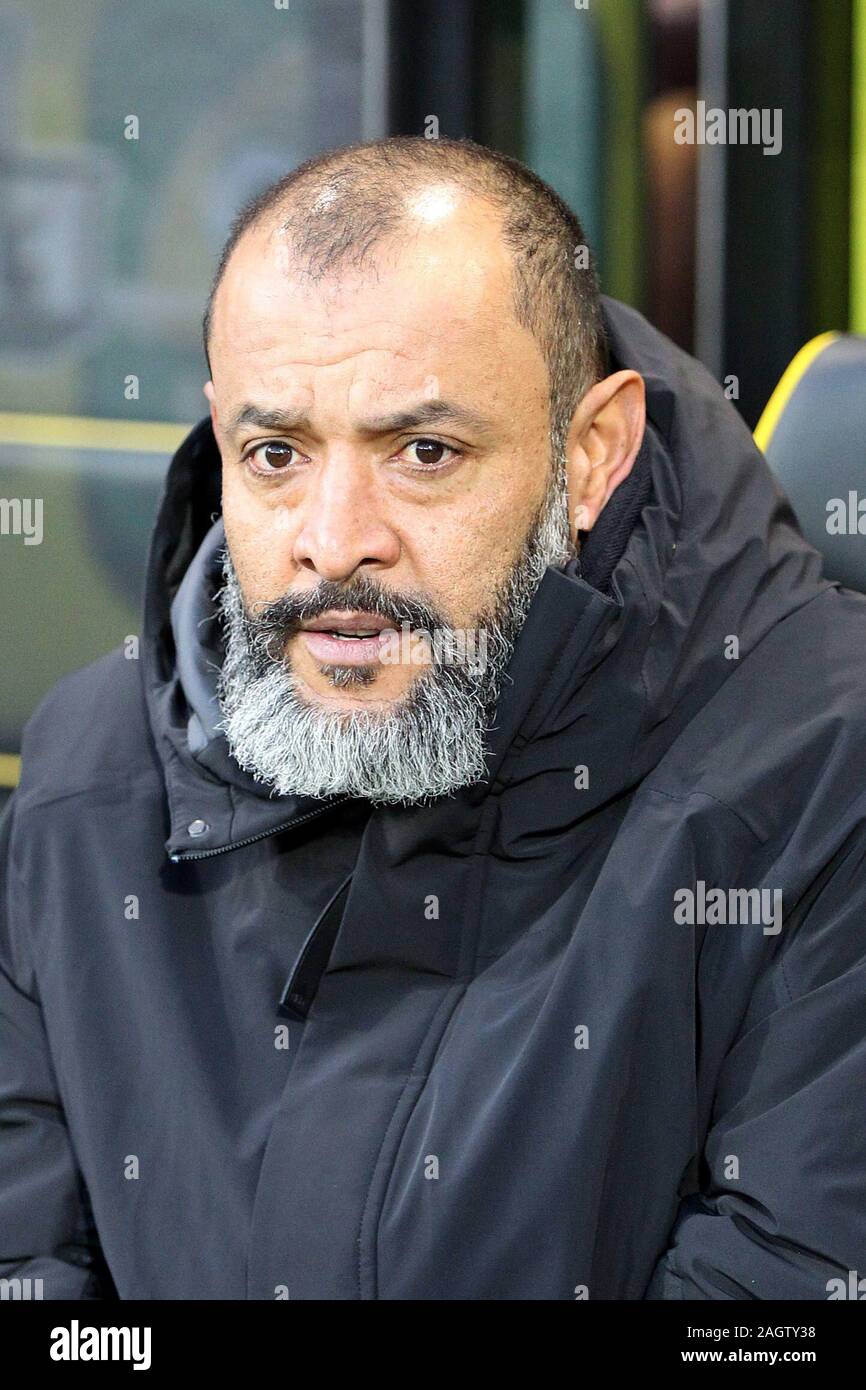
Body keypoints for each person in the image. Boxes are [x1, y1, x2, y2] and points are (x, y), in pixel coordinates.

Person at [2, 136, 865, 1300]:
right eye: (273, 454)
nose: (332, 537)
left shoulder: (824, 768)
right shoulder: (87, 768)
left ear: (592, 452)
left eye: (421, 451)